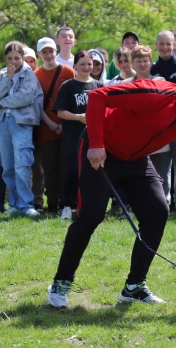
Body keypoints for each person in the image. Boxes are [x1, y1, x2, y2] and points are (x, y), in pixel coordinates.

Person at [47, 68, 176, 308]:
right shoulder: (155, 92)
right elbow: (97, 97)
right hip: (102, 149)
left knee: (157, 212)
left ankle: (134, 287)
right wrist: (96, 143)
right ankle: (61, 282)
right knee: (91, 216)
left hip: (136, 159)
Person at [52, 50, 105, 220]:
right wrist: (78, 117)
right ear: (75, 65)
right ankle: (68, 205)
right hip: (73, 138)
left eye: (89, 64)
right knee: (74, 171)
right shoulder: (68, 86)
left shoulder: (99, 86)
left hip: (95, 139)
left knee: (93, 173)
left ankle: (90, 207)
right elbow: (59, 111)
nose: (86, 67)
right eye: (82, 64)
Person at [0, 41, 42, 216]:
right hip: (3, 122)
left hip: (22, 123)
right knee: (8, 166)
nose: (13, 62)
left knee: (22, 164)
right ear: (5, 58)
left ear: (23, 57)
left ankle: (26, 205)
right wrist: (8, 79)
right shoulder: (3, 74)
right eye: (9, 58)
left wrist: (1, 102)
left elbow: (24, 98)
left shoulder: (29, 74)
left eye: (17, 58)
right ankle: (15, 204)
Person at [34, 37, 76, 214]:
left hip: (67, 128)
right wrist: (51, 123)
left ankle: (64, 203)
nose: (49, 55)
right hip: (46, 128)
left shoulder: (67, 71)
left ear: (56, 51)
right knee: (50, 169)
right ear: (39, 54)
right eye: (45, 52)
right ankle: (52, 204)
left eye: (51, 51)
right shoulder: (36, 75)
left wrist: (64, 122)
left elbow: (74, 98)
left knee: (66, 169)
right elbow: (36, 103)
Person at [151, 30, 176, 216]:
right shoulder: (152, 68)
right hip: (160, 125)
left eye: (170, 44)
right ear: (156, 45)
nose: (166, 47)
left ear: (175, 45)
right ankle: (163, 201)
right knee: (162, 166)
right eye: (163, 44)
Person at [23, 46, 44, 211]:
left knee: (38, 166)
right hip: (19, 127)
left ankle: (37, 201)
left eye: (32, 61)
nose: (29, 64)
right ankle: (21, 200)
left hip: (39, 127)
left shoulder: (38, 77)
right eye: (26, 61)